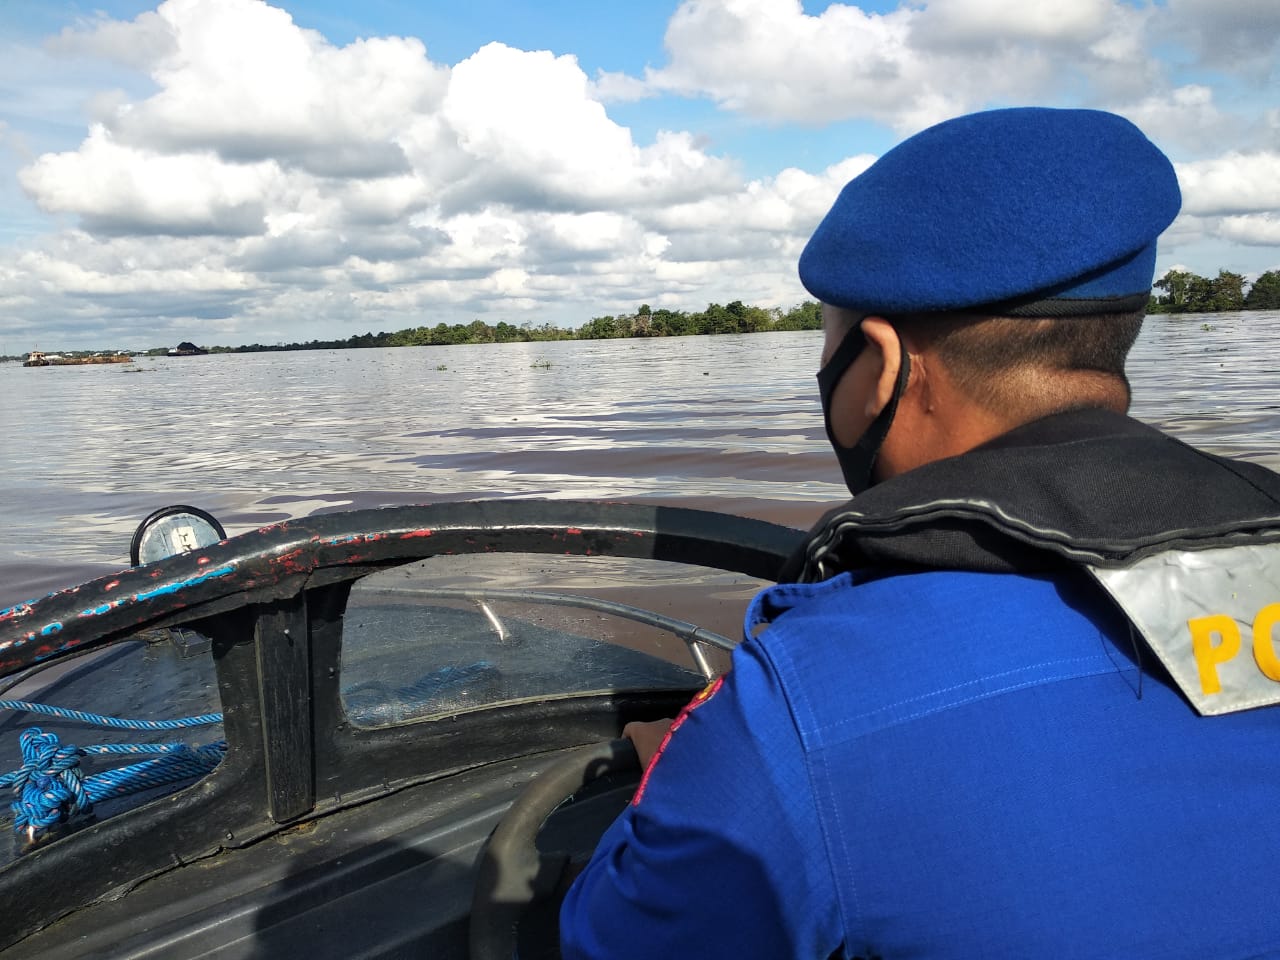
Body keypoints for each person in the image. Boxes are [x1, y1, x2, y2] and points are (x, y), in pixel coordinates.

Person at [558, 107, 1280, 959]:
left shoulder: (809, 700)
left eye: (826, 343)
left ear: (882, 364)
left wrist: (686, 773)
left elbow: (614, 942)